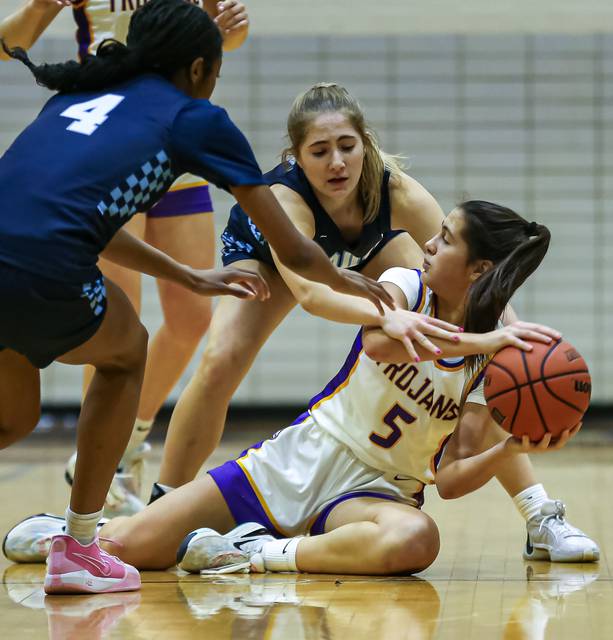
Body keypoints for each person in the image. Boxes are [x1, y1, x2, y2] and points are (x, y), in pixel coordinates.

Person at [0, 0, 396, 594]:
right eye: (214, 68)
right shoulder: (196, 118)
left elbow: (90, 217)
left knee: (13, 418)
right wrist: (347, 278)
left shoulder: (78, 96)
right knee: (127, 349)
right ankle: (80, 546)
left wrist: (189, 277)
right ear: (197, 69)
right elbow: (290, 246)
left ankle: (84, 529)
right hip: (44, 265)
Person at [5, 201, 600, 576]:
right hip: (301, 456)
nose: (428, 243)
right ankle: (68, 535)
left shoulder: (495, 364)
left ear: (476, 269)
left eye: (444, 240)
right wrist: (479, 344)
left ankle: (252, 554)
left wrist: (513, 448)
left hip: (379, 493)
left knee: (416, 540)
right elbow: (380, 344)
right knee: (136, 548)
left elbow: (448, 478)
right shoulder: (403, 286)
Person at [147, 83, 597, 564]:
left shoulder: (395, 189)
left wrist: (516, 346)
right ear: (297, 158)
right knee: (221, 359)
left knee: (482, 356)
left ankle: (539, 515)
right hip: (276, 263)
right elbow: (313, 294)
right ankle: (166, 498)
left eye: (347, 146)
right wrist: (394, 316)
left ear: (367, 144)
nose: (336, 162)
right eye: (319, 152)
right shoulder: (287, 197)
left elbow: (478, 284)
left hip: (361, 255)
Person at [0, 0, 253, 516]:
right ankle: (104, 469)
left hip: (175, 143)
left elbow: (219, 40)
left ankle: (130, 438)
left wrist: (228, 34)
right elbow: (7, 43)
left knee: (191, 316)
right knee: (119, 320)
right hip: (108, 139)